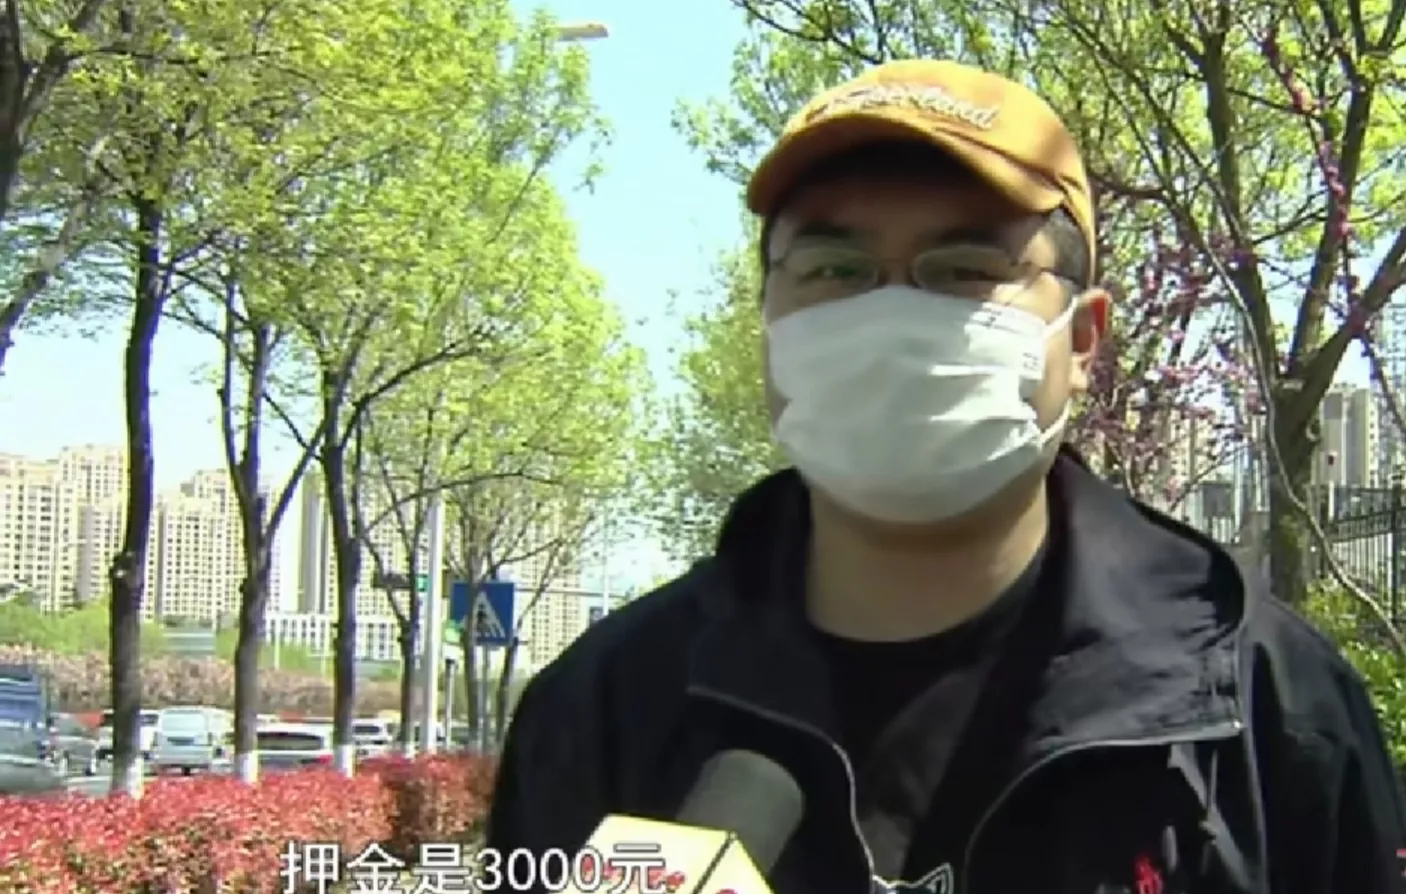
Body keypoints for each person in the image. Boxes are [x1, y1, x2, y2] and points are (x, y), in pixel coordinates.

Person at [486, 59, 1406, 894]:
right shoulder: (606, 708)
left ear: (1084, 341)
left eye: (965, 269)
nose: (890, 317)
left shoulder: (1268, 714)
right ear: (769, 323)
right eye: (834, 268)